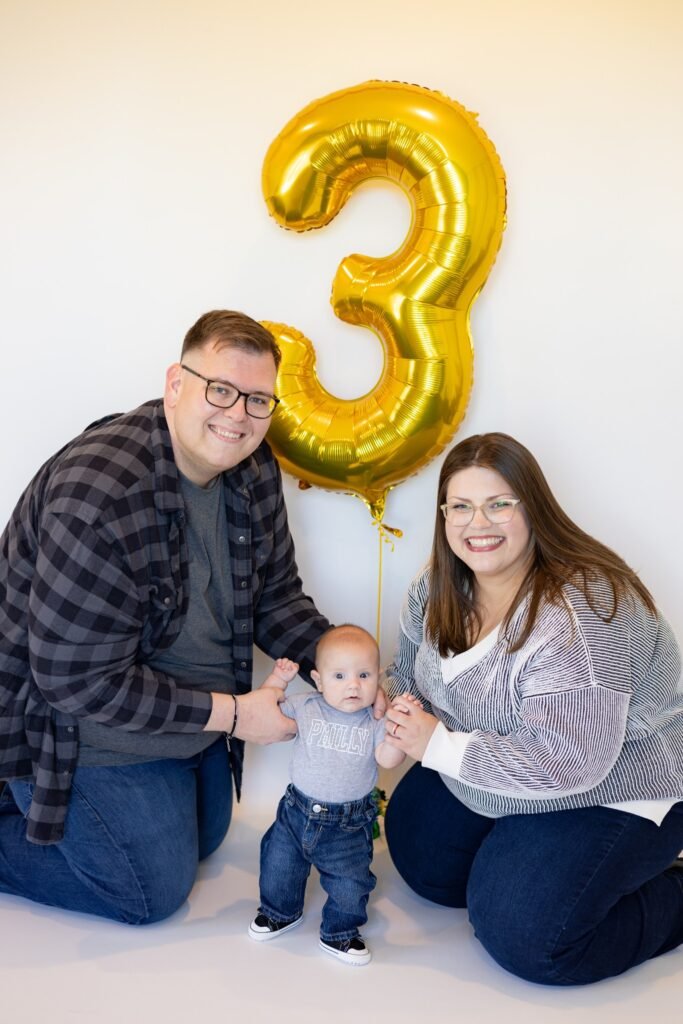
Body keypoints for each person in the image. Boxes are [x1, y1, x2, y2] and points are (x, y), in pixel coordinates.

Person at [0, 309, 335, 924]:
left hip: (185, 717)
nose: (238, 415)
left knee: (206, 842)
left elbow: (275, 597)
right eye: (221, 390)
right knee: (148, 892)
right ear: (176, 384)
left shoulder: (253, 467)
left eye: (258, 399)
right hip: (80, 729)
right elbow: (73, 682)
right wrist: (235, 716)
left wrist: (346, 669)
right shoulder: (99, 493)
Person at [382, 431, 683, 986]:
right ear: (443, 516)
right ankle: (528, 861)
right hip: (505, 759)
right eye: (462, 507)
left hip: (617, 783)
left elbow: (573, 761)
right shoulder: (439, 587)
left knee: (528, 935)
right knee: (422, 859)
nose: (479, 524)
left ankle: (670, 889)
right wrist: (384, 707)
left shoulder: (584, 612)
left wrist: (438, 746)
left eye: (499, 504)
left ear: (534, 507)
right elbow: (407, 672)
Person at [248, 625, 406, 966]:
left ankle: (340, 931)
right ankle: (279, 911)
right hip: (296, 813)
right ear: (318, 681)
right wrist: (277, 680)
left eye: (364, 675)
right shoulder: (307, 705)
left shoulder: (375, 717)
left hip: (348, 825)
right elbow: (266, 709)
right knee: (279, 866)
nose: (353, 685)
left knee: (351, 882)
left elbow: (387, 759)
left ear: (378, 678)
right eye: (339, 676)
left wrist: (396, 730)